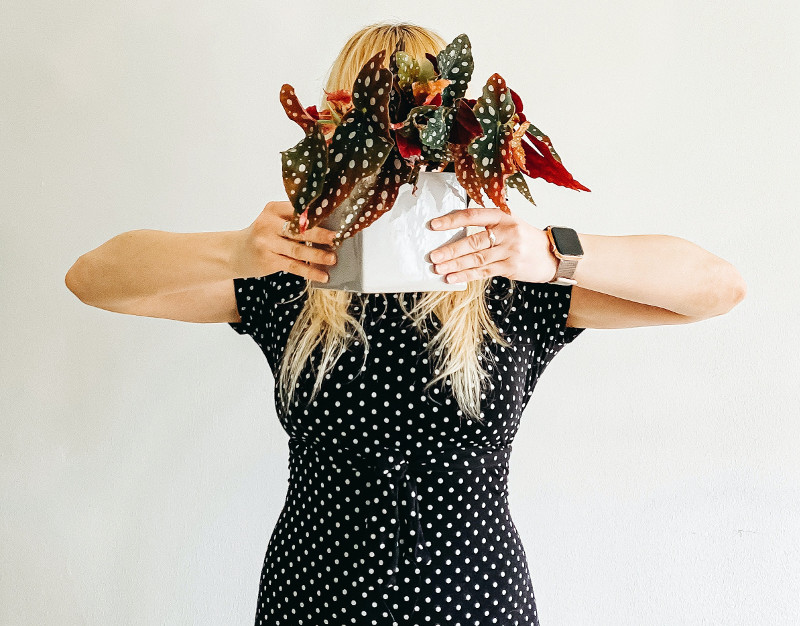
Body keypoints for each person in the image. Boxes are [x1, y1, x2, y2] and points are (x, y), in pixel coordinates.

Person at [64, 20, 746, 626]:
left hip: (476, 602)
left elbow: (717, 289)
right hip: (313, 600)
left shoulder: (512, 288)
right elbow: (93, 279)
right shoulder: (293, 282)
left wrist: (549, 251)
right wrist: (238, 250)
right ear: (336, 139)